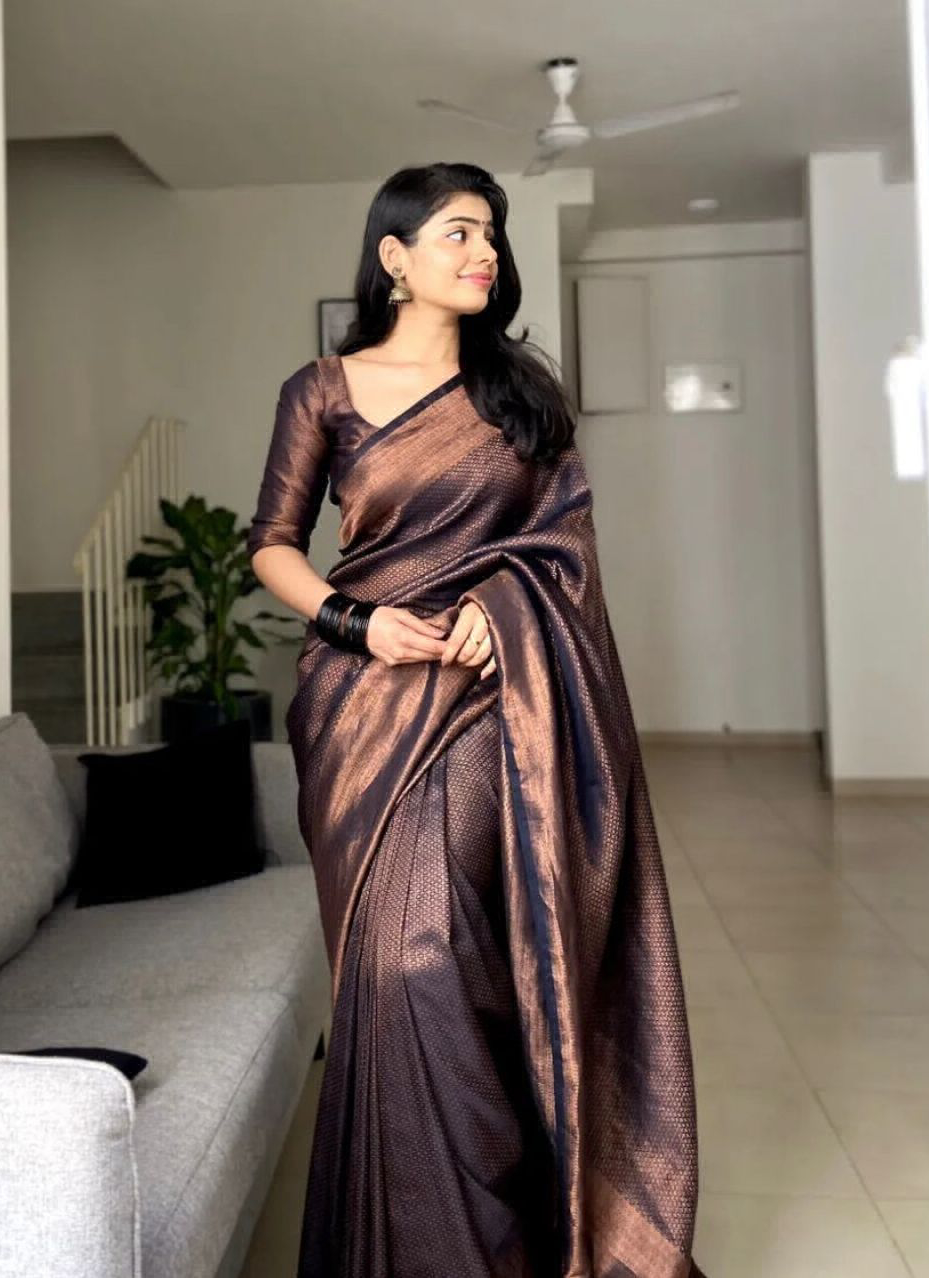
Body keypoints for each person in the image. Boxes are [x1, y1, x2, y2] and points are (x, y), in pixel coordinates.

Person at [246, 161, 705, 1278]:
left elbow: (564, 554)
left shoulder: (519, 397)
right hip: (360, 709)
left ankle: (491, 1240)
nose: (484, 250)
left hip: (491, 710)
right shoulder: (322, 391)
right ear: (393, 257)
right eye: (457, 231)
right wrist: (360, 624)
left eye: (490, 233)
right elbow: (273, 547)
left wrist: (508, 611)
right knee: (397, 968)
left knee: (449, 956)